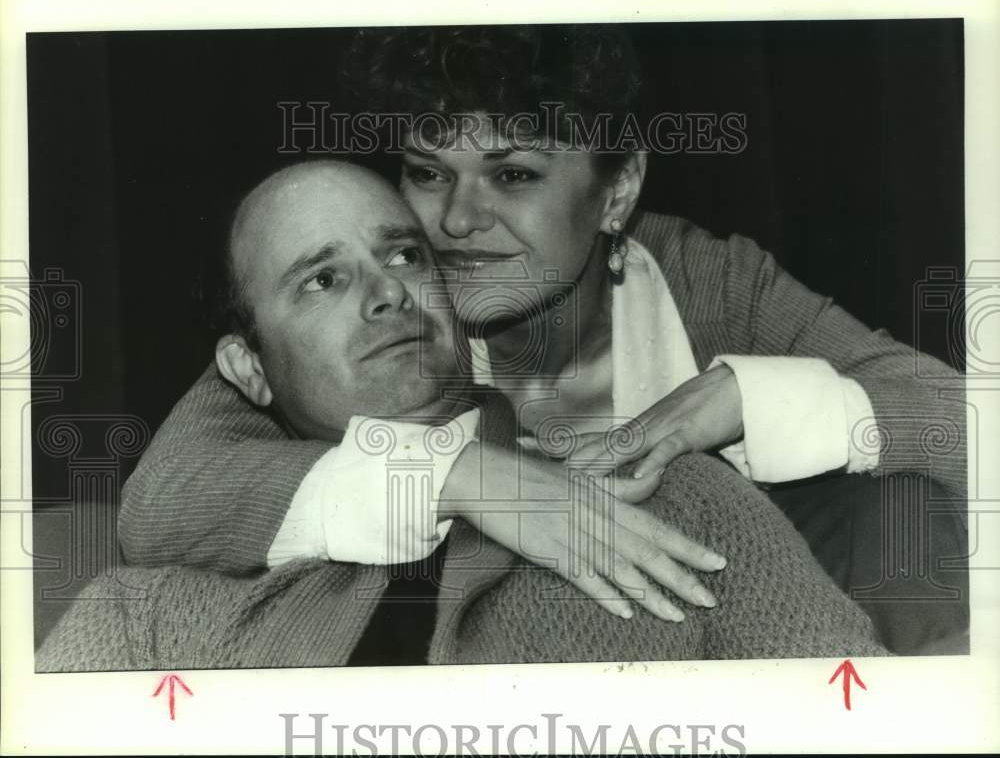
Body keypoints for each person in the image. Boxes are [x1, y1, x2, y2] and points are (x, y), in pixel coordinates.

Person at [117, 24, 967, 654]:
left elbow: (961, 419)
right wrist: (458, 472)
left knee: (905, 515)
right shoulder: (394, 295)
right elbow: (163, 498)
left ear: (617, 188)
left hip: (724, 609)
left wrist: (741, 396)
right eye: (426, 172)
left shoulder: (708, 280)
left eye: (513, 176)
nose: (454, 220)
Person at [37, 159, 889, 671]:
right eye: (322, 279)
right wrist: (448, 472)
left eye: (403, 255)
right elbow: (156, 505)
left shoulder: (680, 511)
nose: (385, 294)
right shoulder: (143, 617)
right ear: (246, 370)